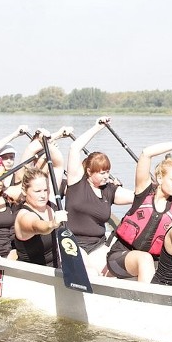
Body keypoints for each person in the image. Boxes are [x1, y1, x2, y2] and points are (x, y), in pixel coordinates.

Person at [104, 133, 172, 282]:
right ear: (160, 178)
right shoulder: (144, 192)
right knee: (145, 259)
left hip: (156, 263)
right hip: (121, 256)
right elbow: (146, 153)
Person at [64, 117, 135, 275]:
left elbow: (137, 196)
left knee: (110, 273)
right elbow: (74, 147)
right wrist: (97, 127)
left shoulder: (109, 190)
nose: (106, 176)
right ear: (89, 172)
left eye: (108, 172)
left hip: (98, 244)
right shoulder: (76, 182)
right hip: (72, 242)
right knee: (89, 272)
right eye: (102, 173)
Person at [14, 166, 68, 267]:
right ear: (24, 191)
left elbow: (58, 164)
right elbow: (37, 226)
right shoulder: (24, 216)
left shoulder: (49, 205)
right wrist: (52, 224)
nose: (43, 195)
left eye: (46, 190)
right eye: (37, 191)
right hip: (34, 273)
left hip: (58, 267)